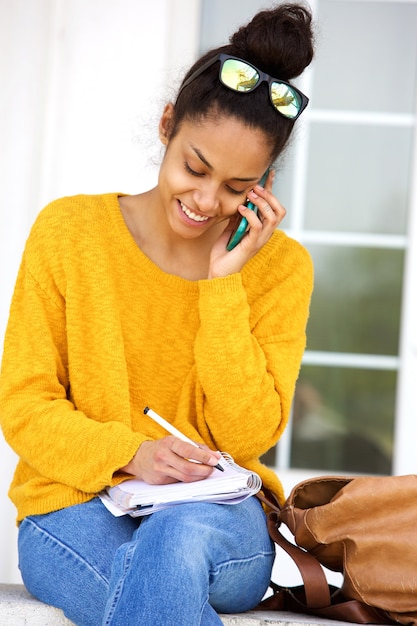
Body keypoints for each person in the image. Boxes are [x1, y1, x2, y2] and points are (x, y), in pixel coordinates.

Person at [0, 3, 314, 625]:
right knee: (152, 568)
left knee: (174, 540)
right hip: (75, 508)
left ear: (264, 184)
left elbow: (250, 435)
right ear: (168, 126)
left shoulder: (279, 269)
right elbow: (25, 405)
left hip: (216, 522)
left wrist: (223, 287)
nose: (205, 200)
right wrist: (132, 454)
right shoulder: (69, 232)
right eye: (195, 168)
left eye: (234, 187)